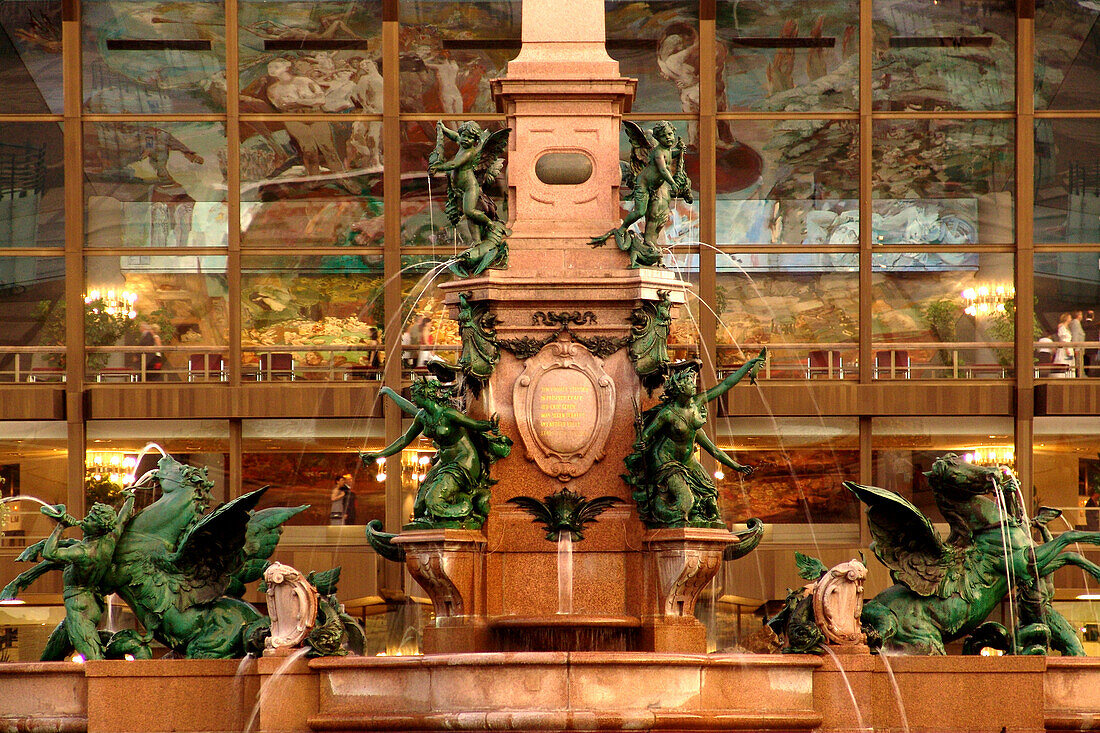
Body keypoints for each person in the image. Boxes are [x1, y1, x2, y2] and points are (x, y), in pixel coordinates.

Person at [625, 348, 767, 526]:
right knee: (687, 503)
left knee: (710, 496)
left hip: (687, 461)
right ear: (678, 386)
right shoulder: (667, 414)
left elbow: (725, 386)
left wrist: (747, 366)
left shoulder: (697, 404)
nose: (693, 385)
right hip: (665, 461)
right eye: (689, 382)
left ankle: (704, 529)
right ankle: (671, 526)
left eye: (693, 381)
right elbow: (645, 436)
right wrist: (641, 444)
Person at [39, 491, 137, 660]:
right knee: (48, 660)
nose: (86, 519)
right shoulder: (109, 541)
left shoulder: (83, 551)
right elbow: (123, 518)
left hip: (79, 610)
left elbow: (49, 553)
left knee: (95, 663)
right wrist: (131, 496)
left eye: (91, 519)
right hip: (89, 605)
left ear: (98, 528)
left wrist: (61, 526)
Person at [1054, 312, 1075, 378]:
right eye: (1070, 317)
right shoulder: (1062, 327)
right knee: (1064, 361)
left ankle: (1069, 376)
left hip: (1069, 348)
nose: (1071, 319)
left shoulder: (1068, 328)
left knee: (1070, 362)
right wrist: (1066, 349)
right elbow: (1063, 339)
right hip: (1064, 348)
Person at [1071, 310, 1087, 377]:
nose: (1082, 316)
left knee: (1080, 362)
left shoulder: (1077, 323)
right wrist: (1076, 348)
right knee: (1079, 362)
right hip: (1078, 348)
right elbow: (1075, 335)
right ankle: (1081, 376)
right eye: (1081, 314)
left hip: (1080, 348)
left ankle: (1081, 375)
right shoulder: (1075, 322)